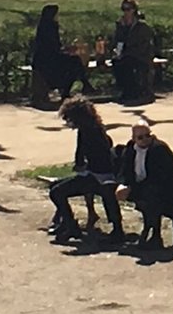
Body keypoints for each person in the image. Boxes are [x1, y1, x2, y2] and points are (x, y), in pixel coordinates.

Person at [46, 97, 121, 240]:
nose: (68, 122)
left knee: (57, 192)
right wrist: (80, 165)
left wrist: (84, 169)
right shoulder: (86, 130)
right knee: (55, 186)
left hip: (99, 177)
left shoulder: (94, 132)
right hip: (90, 174)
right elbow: (79, 154)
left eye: (69, 119)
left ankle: (71, 226)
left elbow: (102, 159)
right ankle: (66, 223)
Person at [111, 119, 173, 250]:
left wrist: (132, 187)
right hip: (141, 186)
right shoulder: (131, 148)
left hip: (166, 189)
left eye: (148, 135)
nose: (145, 139)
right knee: (110, 190)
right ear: (134, 138)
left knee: (151, 197)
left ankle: (154, 234)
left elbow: (159, 178)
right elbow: (125, 169)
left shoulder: (160, 149)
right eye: (140, 137)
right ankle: (117, 229)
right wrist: (122, 184)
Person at [27, 3, 85, 108]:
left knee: (73, 61)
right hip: (47, 62)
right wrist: (67, 50)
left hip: (48, 59)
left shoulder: (45, 26)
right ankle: (69, 90)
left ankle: (72, 89)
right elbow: (53, 48)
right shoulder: (50, 28)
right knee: (74, 62)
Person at [111, 0, 158, 103]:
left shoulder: (141, 26)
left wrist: (128, 51)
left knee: (127, 63)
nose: (126, 12)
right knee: (117, 63)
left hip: (141, 54)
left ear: (134, 10)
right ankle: (127, 90)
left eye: (128, 9)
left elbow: (144, 44)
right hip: (125, 54)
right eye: (123, 9)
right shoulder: (121, 25)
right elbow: (118, 41)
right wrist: (116, 51)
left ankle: (133, 91)